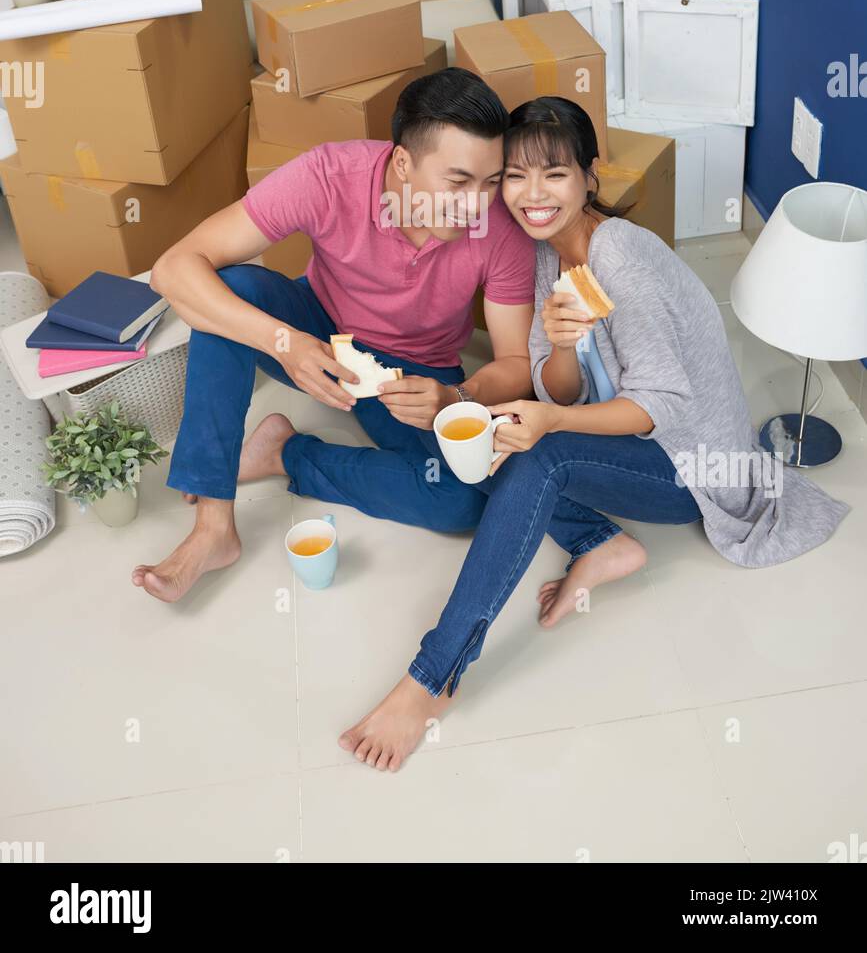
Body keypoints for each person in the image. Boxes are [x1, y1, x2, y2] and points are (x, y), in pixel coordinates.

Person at [340, 95, 850, 773]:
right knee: (502, 435)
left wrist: (549, 421)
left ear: (589, 175)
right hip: (634, 443)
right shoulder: (551, 255)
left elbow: (656, 406)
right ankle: (600, 544)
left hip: (687, 469)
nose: (530, 194)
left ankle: (432, 677)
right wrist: (553, 357)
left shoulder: (621, 263)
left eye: (553, 174)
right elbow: (560, 388)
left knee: (539, 450)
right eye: (514, 176)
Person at [132, 68, 536, 602]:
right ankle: (213, 526)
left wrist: (455, 395)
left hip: (417, 372)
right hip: (319, 330)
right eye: (458, 182)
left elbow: (515, 362)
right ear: (402, 163)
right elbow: (174, 268)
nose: (476, 205)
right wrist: (286, 344)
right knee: (227, 288)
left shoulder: (502, 230)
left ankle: (287, 455)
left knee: (462, 500)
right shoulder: (329, 175)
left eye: (489, 182)